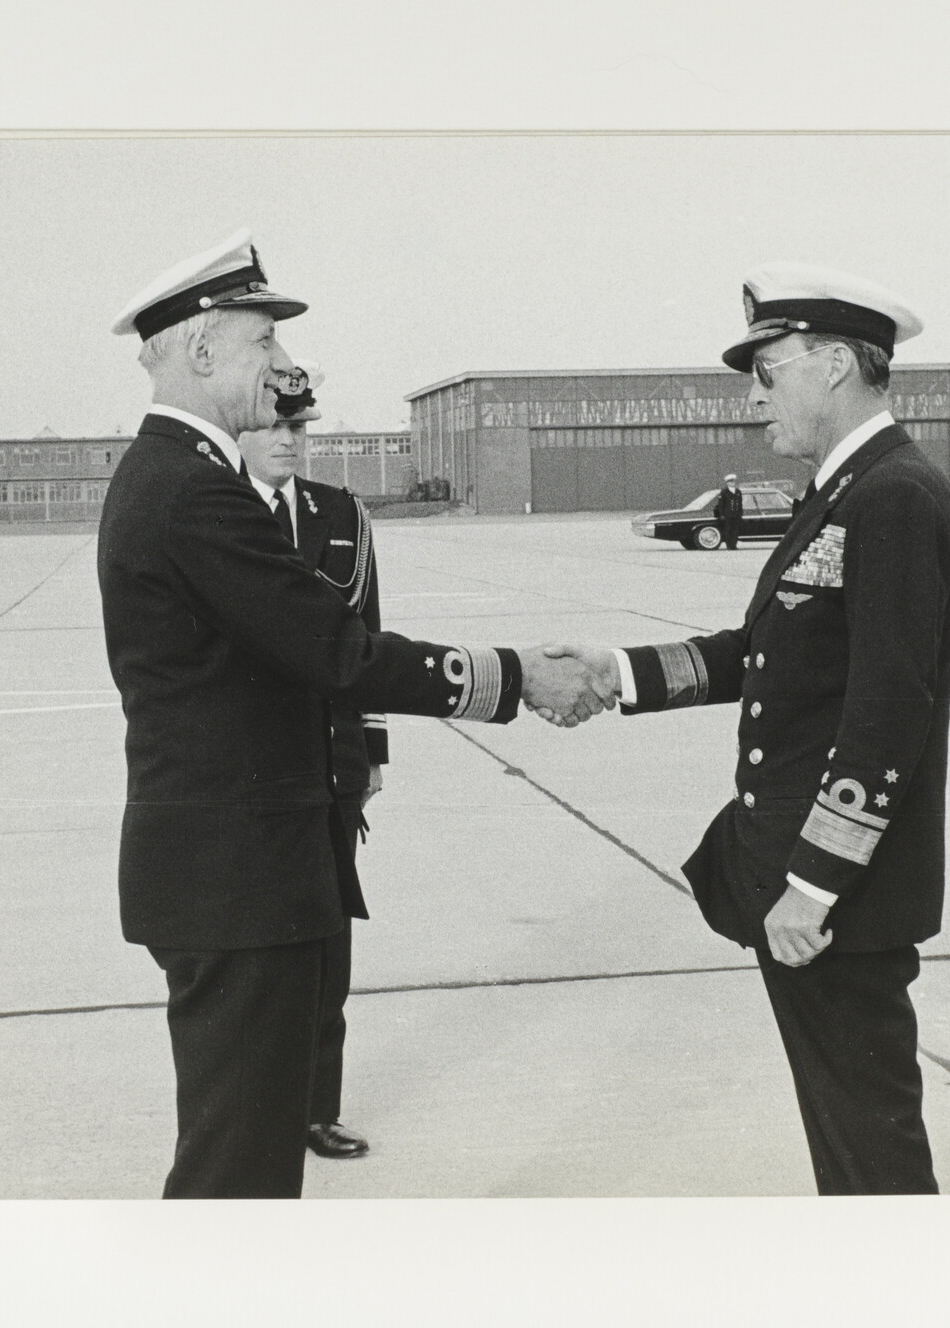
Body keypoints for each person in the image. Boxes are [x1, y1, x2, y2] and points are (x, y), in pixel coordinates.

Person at [97, 230, 609, 1199]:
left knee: (238, 1158)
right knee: (236, 1173)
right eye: (265, 347)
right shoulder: (192, 492)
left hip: (231, 873)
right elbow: (336, 652)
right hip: (235, 882)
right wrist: (516, 677)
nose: (285, 371)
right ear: (202, 349)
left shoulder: (170, 478)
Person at [553, 262, 950, 1195]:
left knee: (871, 1148)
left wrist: (813, 886)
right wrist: (614, 674)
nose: (754, 397)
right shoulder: (847, 491)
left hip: (836, 904)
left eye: (766, 369)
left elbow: (886, 715)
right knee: (849, 1136)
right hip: (814, 891)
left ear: (831, 365)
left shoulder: (893, 497)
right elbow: (760, 653)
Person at [235, 361, 381, 1162]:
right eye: (272, 427)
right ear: (243, 430)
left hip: (331, 768)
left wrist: (374, 751)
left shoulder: (340, 513)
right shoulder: (219, 514)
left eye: (299, 427)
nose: (288, 441)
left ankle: (315, 1109)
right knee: (263, 959)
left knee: (330, 952)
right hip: (257, 774)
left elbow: (368, 634)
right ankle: (260, 1107)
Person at [712, 473, 746, 549]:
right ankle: (729, 546)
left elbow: (740, 503)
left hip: (736, 514)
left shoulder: (738, 491)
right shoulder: (724, 492)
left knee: (735, 530)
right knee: (728, 530)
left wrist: (740, 513)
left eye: (733, 481)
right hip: (728, 514)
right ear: (727, 483)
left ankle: (734, 545)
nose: (732, 483)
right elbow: (721, 504)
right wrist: (722, 514)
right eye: (730, 482)